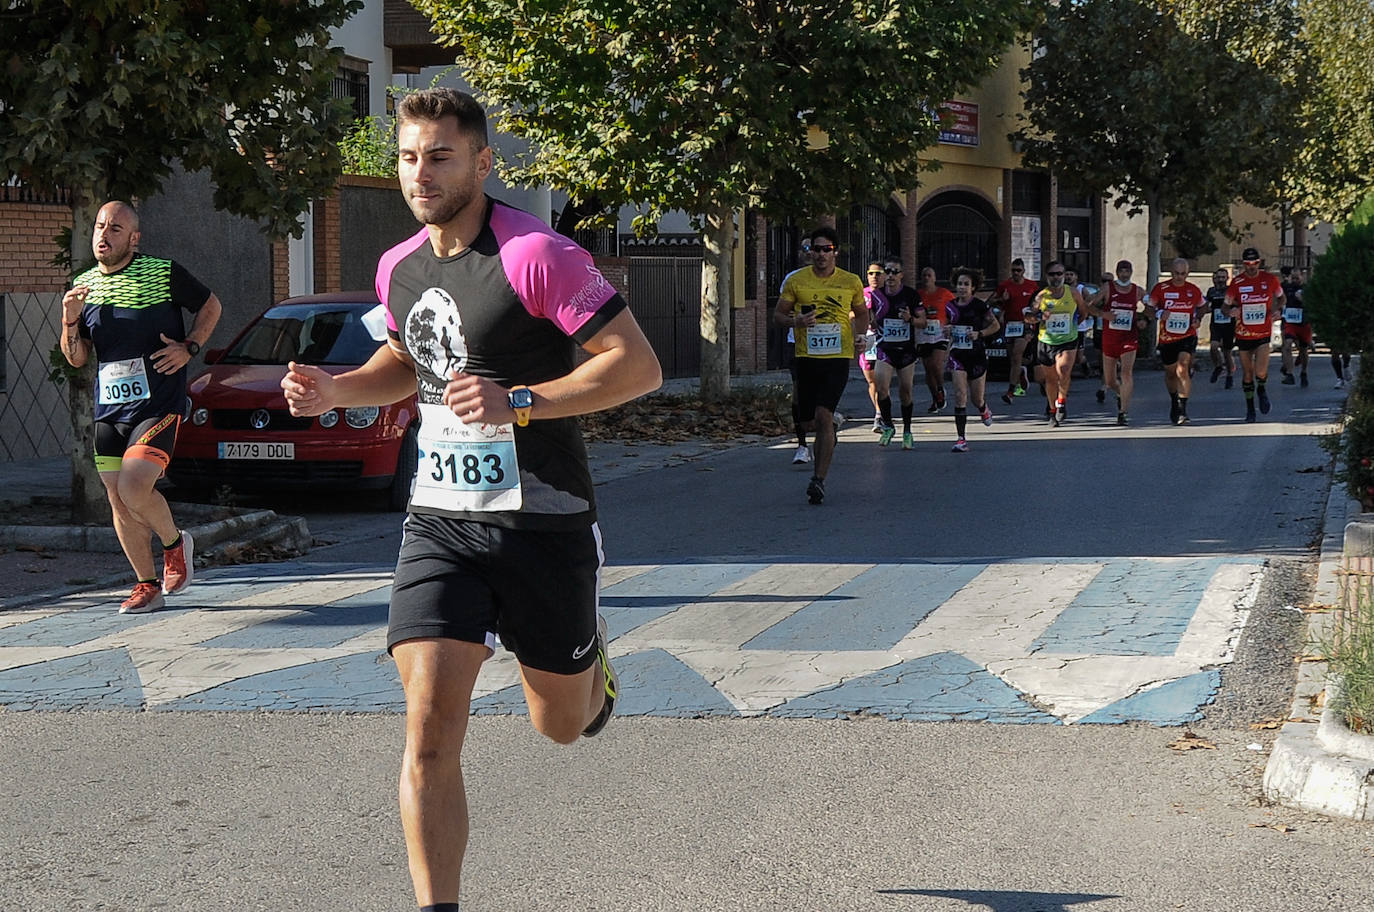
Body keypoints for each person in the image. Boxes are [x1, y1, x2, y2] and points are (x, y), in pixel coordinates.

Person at [280, 88, 662, 912]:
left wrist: (521, 401)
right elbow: (403, 365)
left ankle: (590, 665)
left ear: (483, 163)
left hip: (545, 522)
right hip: (440, 523)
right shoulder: (398, 266)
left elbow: (636, 366)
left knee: (561, 724)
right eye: (409, 157)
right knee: (426, 730)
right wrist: (334, 388)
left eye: (440, 156)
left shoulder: (537, 255)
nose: (421, 173)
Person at [58, 200, 222, 614]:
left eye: (115, 228)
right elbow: (76, 359)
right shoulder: (84, 285)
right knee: (118, 500)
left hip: (158, 402)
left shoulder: (162, 272)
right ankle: (145, 585)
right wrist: (69, 321)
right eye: (99, 226)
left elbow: (211, 306)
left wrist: (191, 347)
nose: (103, 235)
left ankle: (174, 544)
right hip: (110, 409)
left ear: (134, 238)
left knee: (135, 486)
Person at [775, 226, 869, 505]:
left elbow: (863, 314)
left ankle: (818, 480)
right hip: (806, 357)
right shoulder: (796, 281)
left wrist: (861, 336)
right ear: (809, 252)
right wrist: (796, 322)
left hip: (838, 357)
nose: (820, 254)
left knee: (823, 414)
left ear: (835, 252)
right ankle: (829, 431)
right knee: (808, 421)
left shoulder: (850, 281)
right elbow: (778, 316)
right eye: (815, 249)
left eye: (826, 249)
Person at [868, 256, 924, 449]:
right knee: (881, 387)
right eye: (887, 271)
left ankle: (907, 430)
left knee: (905, 391)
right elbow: (869, 316)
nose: (890, 275)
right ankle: (889, 425)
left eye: (894, 272)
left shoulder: (911, 295)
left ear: (901, 275)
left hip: (906, 350)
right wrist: (871, 322)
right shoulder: (877, 295)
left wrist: (910, 319)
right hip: (885, 348)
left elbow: (923, 322)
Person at [1225, 246, 1286, 423]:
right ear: (1243, 265)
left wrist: (1277, 310)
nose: (1251, 267)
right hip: (1243, 334)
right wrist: (1231, 311)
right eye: (1247, 264)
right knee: (1247, 373)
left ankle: (1262, 390)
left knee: (1260, 370)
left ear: (1259, 263)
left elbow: (1281, 298)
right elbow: (1225, 306)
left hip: (1263, 332)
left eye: (1255, 263)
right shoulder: (1237, 283)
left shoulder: (1270, 279)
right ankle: (1250, 408)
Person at [943, 266, 1000, 452]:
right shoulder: (950, 306)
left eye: (966, 284)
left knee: (976, 398)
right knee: (960, 396)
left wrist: (979, 334)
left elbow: (995, 325)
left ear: (973, 287)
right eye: (959, 284)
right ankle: (961, 439)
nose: (962, 287)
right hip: (957, 355)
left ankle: (983, 409)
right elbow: (947, 327)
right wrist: (947, 331)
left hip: (976, 355)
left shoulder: (979, 306)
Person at [1085, 260, 1146, 426]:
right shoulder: (1108, 289)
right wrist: (1103, 315)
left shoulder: (1137, 291)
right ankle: (1121, 393)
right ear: (1117, 272)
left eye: (1128, 271)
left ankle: (1123, 412)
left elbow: (1151, 307)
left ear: (1131, 272)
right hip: (1110, 339)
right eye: (1122, 271)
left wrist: (1143, 320)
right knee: (1110, 380)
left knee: (1126, 373)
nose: (1125, 275)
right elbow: (1088, 306)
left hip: (1129, 338)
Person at [1147, 258, 1206, 425]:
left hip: (1187, 336)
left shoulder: (1193, 290)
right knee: (1171, 373)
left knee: (1183, 367)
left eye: (1183, 274)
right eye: (1176, 274)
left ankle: (1182, 409)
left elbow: (1203, 306)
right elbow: (1149, 310)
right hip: (1168, 338)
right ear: (1171, 272)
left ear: (1187, 273)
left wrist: (1198, 318)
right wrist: (1159, 314)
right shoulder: (1161, 289)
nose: (1179, 277)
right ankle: (1174, 401)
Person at [1028, 260, 1086, 426]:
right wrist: (1040, 317)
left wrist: (1073, 326)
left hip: (1068, 340)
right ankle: (1053, 411)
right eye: (1052, 274)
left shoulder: (1073, 293)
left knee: (1064, 370)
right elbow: (1029, 317)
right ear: (1047, 276)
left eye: (1059, 273)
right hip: (1046, 340)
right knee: (1050, 379)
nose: (1056, 277)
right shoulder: (1041, 296)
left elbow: (1083, 312)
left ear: (1064, 275)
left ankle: (1061, 402)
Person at [989, 258, 1039, 404]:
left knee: (1017, 356)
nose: (1016, 273)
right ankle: (1021, 372)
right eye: (1013, 271)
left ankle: (1011, 391)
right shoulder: (1005, 285)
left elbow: (1038, 303)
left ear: (1023, 271)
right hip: (1010, 326)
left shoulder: (1031, 285)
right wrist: (1001, 300)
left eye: (1018, 270)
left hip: (1026, 325)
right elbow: (991, 301)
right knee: (1014, 359)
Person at [782, 243, 814, 464]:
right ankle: (802, 444)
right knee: (798, 394)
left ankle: (827, 422)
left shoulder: (838, 280)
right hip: (798, 343)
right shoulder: (792, 279)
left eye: (813, 247)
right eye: (803, 248)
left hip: (827, 346)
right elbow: (781, 312)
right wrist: (796, 321)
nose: (808, 252)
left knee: (818, 394)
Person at [916, 266, 954, 413]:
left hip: (940, 333)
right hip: (924, 334)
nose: (926, 278)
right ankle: (935, 398)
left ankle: (940, 388)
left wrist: (951, 325)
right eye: (924, 275)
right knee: (928, 369)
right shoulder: (918, 295)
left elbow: (954, 309)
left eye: (929, 275)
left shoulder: (944, 293)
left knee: (936, 364)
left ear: (935, 278)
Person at [861, 260, 886, 434]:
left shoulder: (889, 294)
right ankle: (878, 412)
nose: (874, 277)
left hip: (886, 338)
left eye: (878, 273)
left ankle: (881, 414)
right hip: (868, 338)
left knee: (882, 379)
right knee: (871, 380)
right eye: (871, 273)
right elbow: (849, 312)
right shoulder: (861, 293)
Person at [1280, 266, 1312, 387]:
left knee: (1303, 350)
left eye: (1297, 278)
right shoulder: (1286, 288)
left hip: (1303, 323)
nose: (1295, 280)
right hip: (1290, 322)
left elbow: (1312, 304)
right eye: (1292, 278)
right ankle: (1289, 374)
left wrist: (1303, 299)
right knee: (1287, 345)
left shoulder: (1307, 289)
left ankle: (1303, 372)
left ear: (1302, 277)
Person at [1206, 268, 1237, 389]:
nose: (1220, 280)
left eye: (1223, 277)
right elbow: (1206, 305)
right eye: (1218, 277)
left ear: (1227, 278)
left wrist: (1233, 309)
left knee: (1227, 351)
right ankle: (1218, 366)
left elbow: (1238, 304)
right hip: (1216, 324)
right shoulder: (1211, 291)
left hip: (1229, 325)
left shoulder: (1231, 291)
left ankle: (1229, 375)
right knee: (1213, 346)